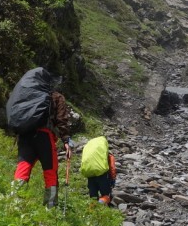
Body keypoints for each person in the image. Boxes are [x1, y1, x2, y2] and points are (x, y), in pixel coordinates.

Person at [8, 67, 72, 208]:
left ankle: (15, 202)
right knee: (50, 170)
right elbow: (62, 119)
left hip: (25, 136)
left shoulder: (27, 95)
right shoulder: (55, 96)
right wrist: (66, 140)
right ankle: (50, 207)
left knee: (23, 166)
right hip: (44, 136)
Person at [79, 135, 117, 206]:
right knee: (106, 195)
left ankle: (92, 211)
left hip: (90, 174)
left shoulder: (90, 150)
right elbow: (112, 167)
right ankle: (101, 205)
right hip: (102, 175)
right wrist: (113, 180)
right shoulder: (107, 155)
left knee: (93, 197)